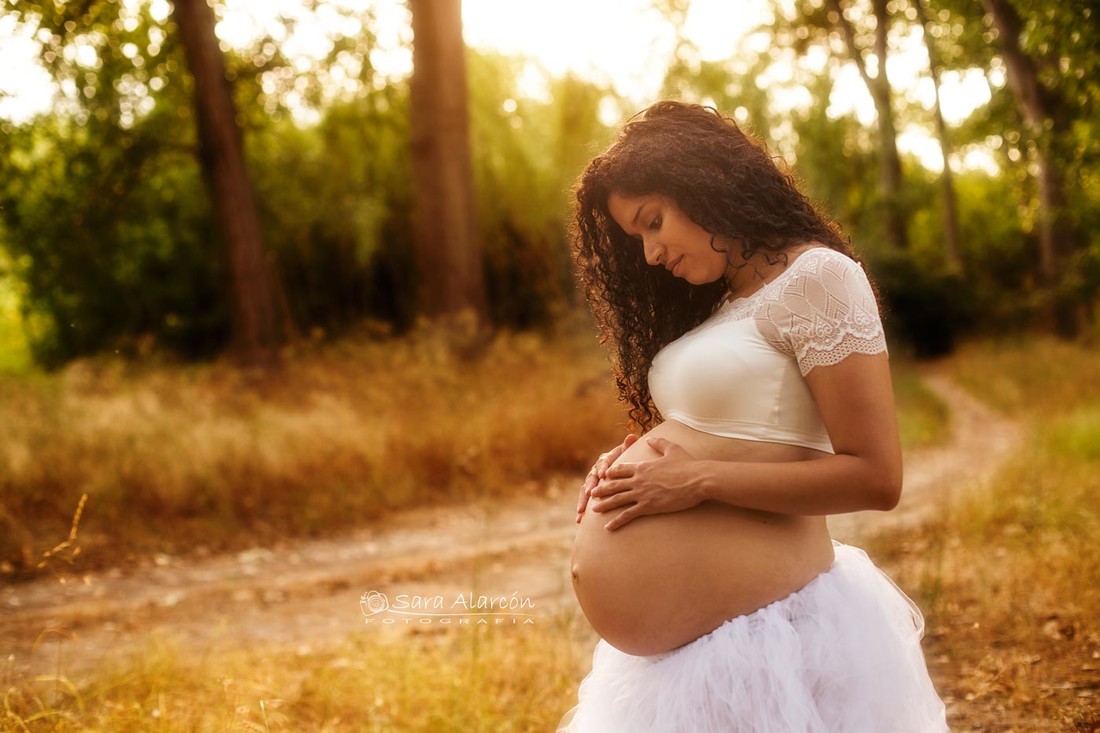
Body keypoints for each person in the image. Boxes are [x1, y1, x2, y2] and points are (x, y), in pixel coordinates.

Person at [559, 101, 948, 732]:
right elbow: (731, 428)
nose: (652, 253)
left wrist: (696, 481)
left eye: (653, 222)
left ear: (702, 183)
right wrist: (633, 460)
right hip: (691, 654)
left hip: (771, 636)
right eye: (639, 238)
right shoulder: (722, 304)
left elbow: (876, 476)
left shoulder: (818, 278)